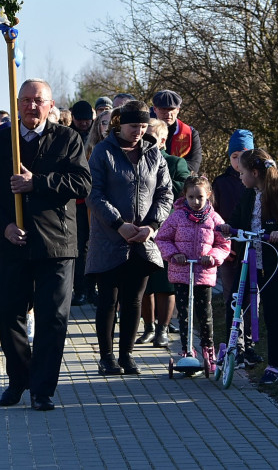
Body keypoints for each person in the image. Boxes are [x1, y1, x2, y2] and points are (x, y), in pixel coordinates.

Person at [0, 78, 91, 412]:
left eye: (39, 100)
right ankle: (19, 378)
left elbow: (82, 183)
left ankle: (42, 389)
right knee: (8, 314)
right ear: (17, 104)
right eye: (25, 99)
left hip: (56, 244)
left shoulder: (67, 138)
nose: (31, 106)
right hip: (13, 242)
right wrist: (4, 226)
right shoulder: (0, 142)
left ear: (50, 105)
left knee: (53, 318)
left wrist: (36, 183)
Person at [86, 100, 172, 376]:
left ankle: (127, 354)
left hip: (142, 240)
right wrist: (118, 224)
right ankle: (106, 357)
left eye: (143, 126)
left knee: (134, 299)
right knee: (108, 300)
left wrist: (152, 226)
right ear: (120, 124)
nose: (139, 131)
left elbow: (165, 193)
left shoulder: (153, 154)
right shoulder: (103, 152)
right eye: (134, 126)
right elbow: (93, 193)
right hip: (109, 238)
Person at [218, 148, 278, 385]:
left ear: (254, 173)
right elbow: (236, 220)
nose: (240, 177)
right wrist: (228, 228)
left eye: (242, 173)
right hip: (247, 262)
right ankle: (234, 350)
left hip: (271, 264)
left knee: (271, 313)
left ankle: (274, 365)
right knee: (234, 304)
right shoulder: (248, 194)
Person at [156, 175, 231, 372]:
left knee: (204, 314)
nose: (195, 201)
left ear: (208, 195)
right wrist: (174, 254)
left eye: (200, 197)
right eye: (191, 197)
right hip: (182, 272)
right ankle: (187, 350)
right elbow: (162, 238)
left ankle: (208, 350)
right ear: (185, 196)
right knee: (184, 314)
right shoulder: (177, 216)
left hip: (203, 274)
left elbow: (223, 244)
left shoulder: (214, 219)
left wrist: (212, 257)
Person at [137, 118, 192, 346]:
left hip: (167, 229)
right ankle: (148, 327)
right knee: (144, 282)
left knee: (164, 282)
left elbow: (185, 188)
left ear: (162, 141)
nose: (147, 141)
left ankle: (163, 328)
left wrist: (160, 179)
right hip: (141, 227)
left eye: (153, 137)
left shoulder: (175, 162)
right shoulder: (135, 159)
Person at [213, 129, 257, 359]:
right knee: (232, 297)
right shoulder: (221, 182)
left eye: (244, 155)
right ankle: (234, 344)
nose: (239, 161)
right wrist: (223, 246)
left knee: (252, 297)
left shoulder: (259, 182)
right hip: (229, 250)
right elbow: (215, 218)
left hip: (253, 249)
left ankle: (249, 344)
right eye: (235, 156)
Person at [69, 100, 95, 306]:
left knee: (93, 245)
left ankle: (91, 288)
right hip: (77, 201)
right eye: (80, 120)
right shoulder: (67, 135)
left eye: (87, 120)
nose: (84, 124)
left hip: (95, 199)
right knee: (79, 247)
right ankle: (80, 289)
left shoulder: (96, 137)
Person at [151, 89, 203, 174]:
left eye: (172, 109)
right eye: (163, 109)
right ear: (154, 109)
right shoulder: (145, 131)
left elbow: (194, 166)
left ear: (178, 109)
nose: (168, 113)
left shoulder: (190, 133)